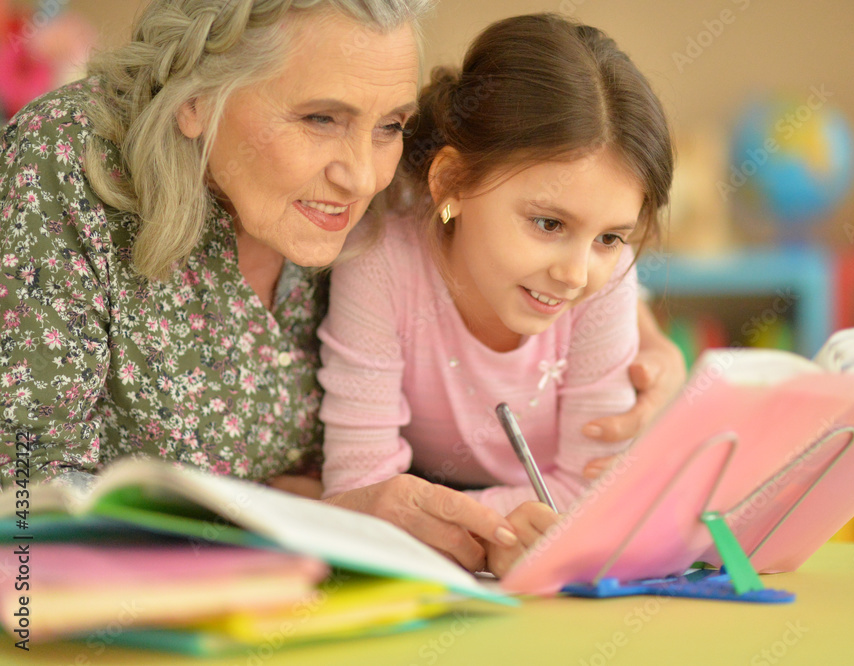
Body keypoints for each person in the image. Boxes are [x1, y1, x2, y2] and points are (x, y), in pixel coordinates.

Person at [0, 0, 682, 570]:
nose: (361, 177)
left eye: (390, 126)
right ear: (197, 98)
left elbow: (531, 213)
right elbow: (28, 507)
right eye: (320, 118)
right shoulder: (69, 160)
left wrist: (635, 324)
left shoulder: (381, 197)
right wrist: (301, 520)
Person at [318, 13, 675, 575]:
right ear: (452, 183)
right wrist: (508, 526)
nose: (577, 275)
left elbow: (600, 497)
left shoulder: (607, 286)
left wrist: (460, 526)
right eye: (549, 224)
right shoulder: (378, 262)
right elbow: (362, 494)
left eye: (609, 237)